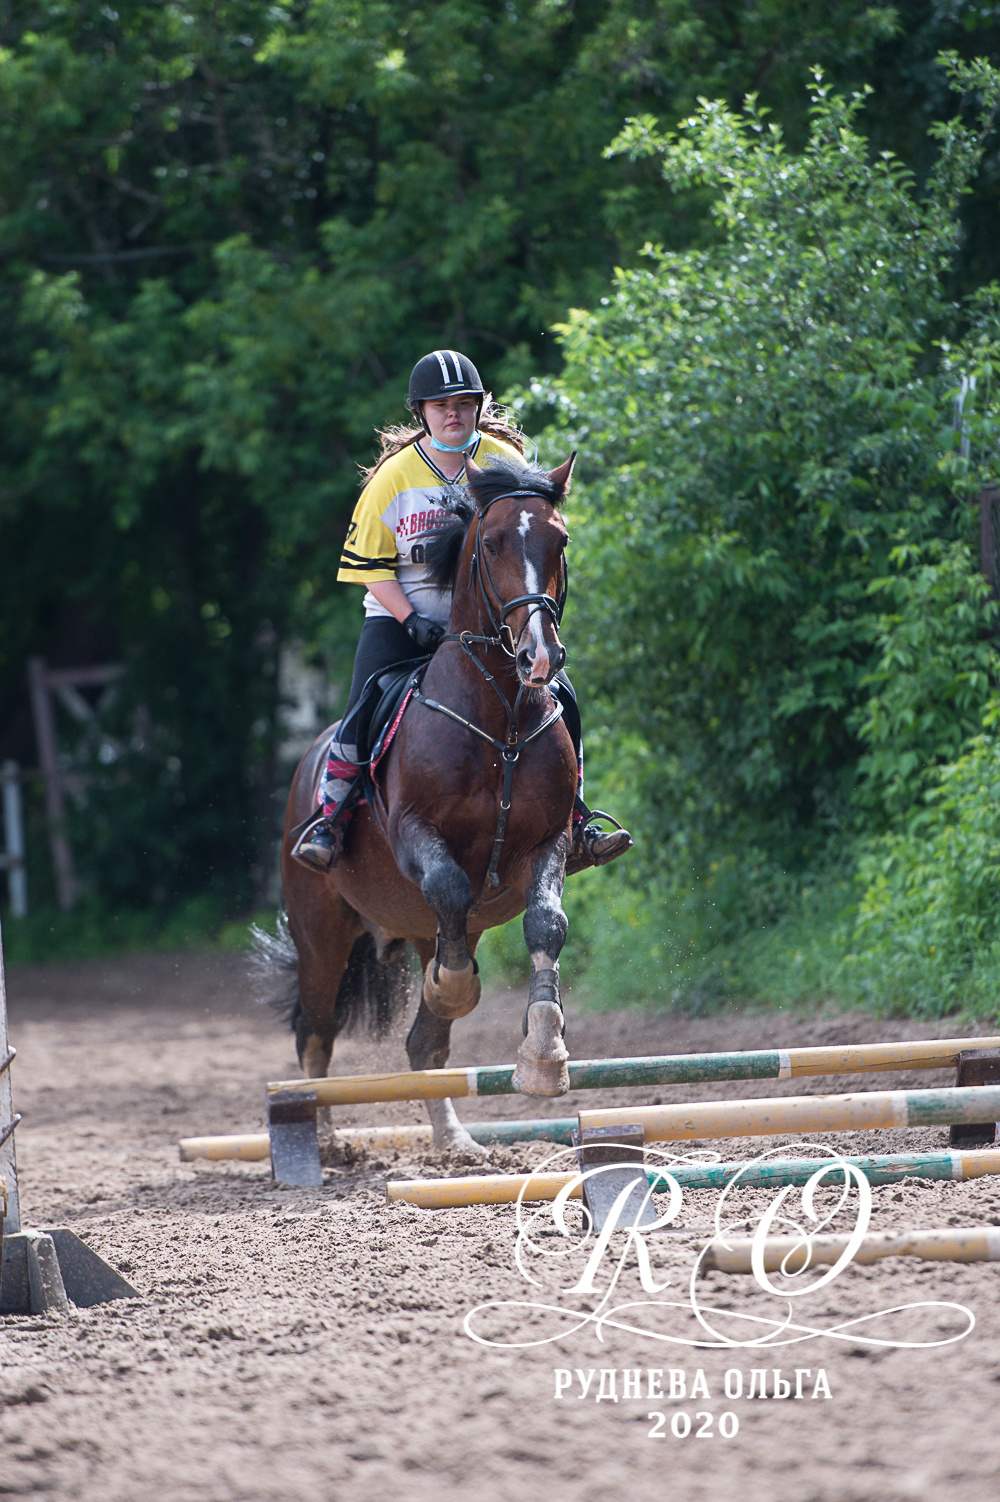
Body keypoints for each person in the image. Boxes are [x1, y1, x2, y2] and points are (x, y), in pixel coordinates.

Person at [293, 348, 632, 872]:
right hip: (403, 620)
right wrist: (411, 621)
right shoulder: (393, 477)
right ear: (420, 412)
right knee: (363, 706)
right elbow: (371, 568)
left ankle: (577, 819)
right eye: (440, 405)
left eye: (465, 403)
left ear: (478, 407)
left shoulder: (506, 462)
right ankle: (331, 817)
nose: (453, 413)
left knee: (562, 702)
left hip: (492, 628)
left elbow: (531, 541)